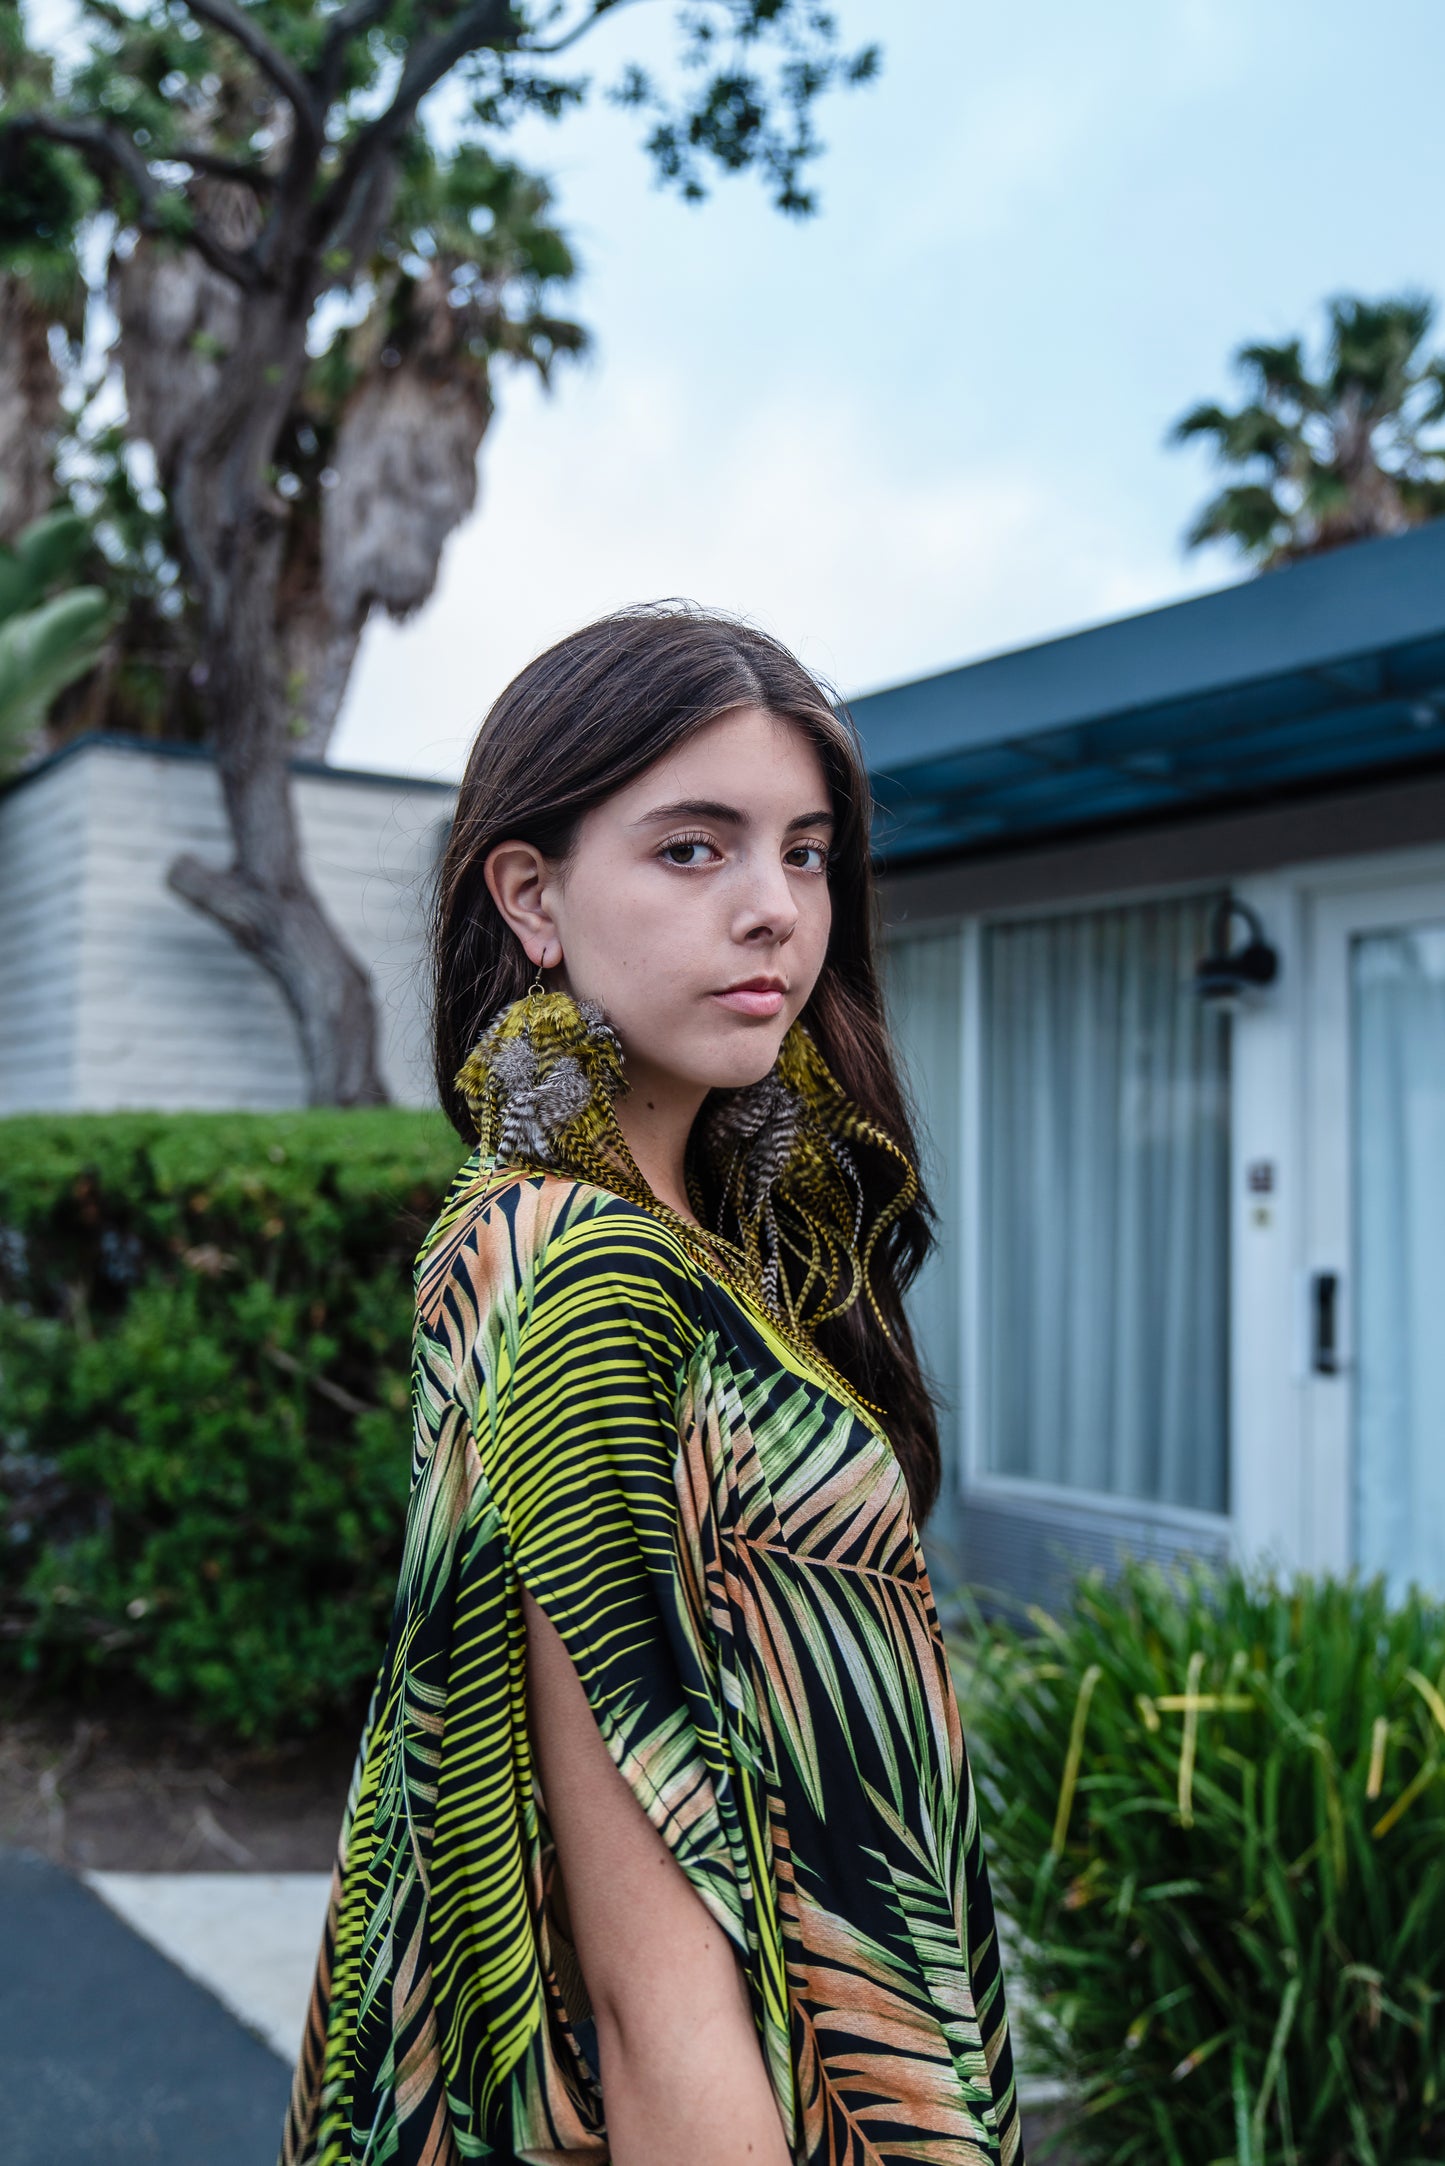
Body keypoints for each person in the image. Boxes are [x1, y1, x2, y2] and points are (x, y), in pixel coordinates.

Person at [280, 603, 1026, 2166]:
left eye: (805, 852)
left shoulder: (728, 1243)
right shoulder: (584, 1272)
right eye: (695, 849)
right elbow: (650, 1974)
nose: (774, 912)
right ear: (532, 896)